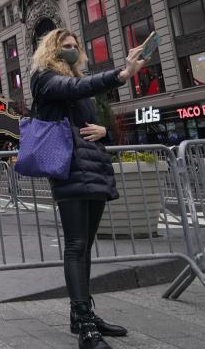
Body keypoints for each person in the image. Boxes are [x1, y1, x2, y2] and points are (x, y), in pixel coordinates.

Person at [30, 29, 145, 349]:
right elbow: (76, 87)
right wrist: (121, 74)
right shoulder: (44, 78)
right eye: (64, 46)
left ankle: (83, 313)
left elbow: (89, 118)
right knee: (76, 244)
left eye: (74, 46)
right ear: (51, 50)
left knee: (85, 245)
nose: (71, 49)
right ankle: (84, 326)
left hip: (92, 165)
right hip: (68, 167)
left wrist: (104, 129)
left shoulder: (76, 78)